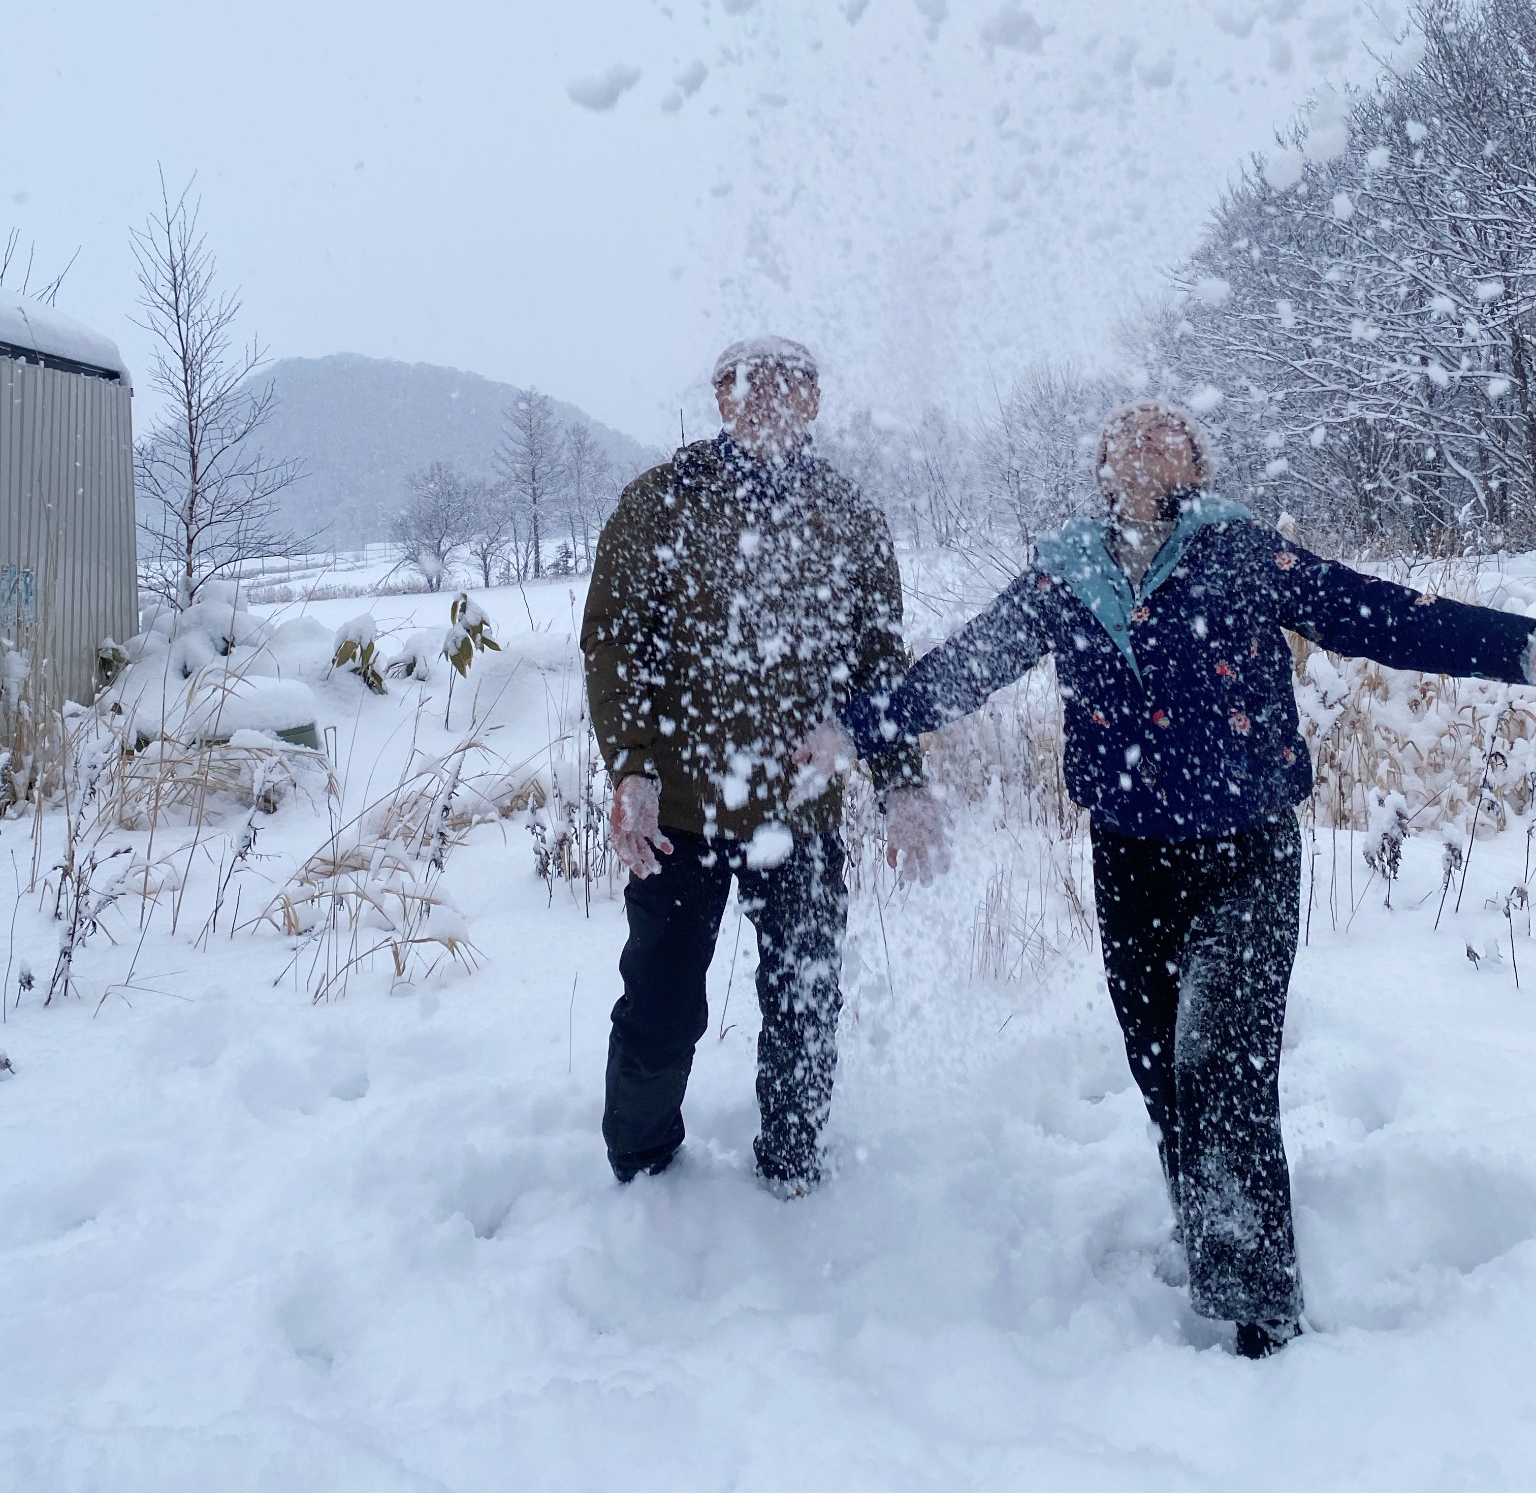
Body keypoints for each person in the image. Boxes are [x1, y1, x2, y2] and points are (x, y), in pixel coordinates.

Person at [798, 400, 1536, 1354]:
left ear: (1195, 457)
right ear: (1102, 461)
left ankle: (1263, 1315)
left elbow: (1382, 617)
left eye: (1169, 431)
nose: (1146, 441)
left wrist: (1521, 646)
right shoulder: (1066, 573)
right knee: (1162, 1074)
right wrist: (854, 730)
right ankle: (1209, 1233)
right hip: (1130, 857)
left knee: (1219, 1064)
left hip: (1247, 852)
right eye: (1127, 432)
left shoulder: (1241, 550)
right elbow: (968, 667)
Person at [581, 337, 929, 1194]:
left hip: (799, 811)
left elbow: (877, 662)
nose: (766, 396)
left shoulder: (847, 512)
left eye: (787, 384)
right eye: (747, 383)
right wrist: (630, 766)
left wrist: (901, 782)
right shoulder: (662, 502)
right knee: (661, 1006)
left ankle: (793, 1164)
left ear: (814, 400)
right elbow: (614, 640)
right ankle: (642, 1169)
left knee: (806, 1004)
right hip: (681, 813)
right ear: (722, 400)